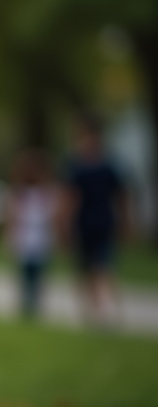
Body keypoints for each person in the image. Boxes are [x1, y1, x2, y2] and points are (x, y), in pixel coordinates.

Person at [60, 114, 132, 328]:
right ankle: (93, 312)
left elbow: (122, 196)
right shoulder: (75, 165)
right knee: (85, 270)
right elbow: (68, 198)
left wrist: (127, 222)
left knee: (103, 267)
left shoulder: (108, 165)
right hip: (83, 224)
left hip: (103, 222)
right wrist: (64, 225)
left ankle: (107, 311)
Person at [0, 149, 60, 320]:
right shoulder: (19, 194)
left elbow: (54, 217)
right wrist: (8, 239)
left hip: (41, 239)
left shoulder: (47, 193)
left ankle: (35, 306)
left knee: (38, 275)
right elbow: (11, 218)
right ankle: (26, 307)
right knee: (25, 275)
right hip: (25, 239)